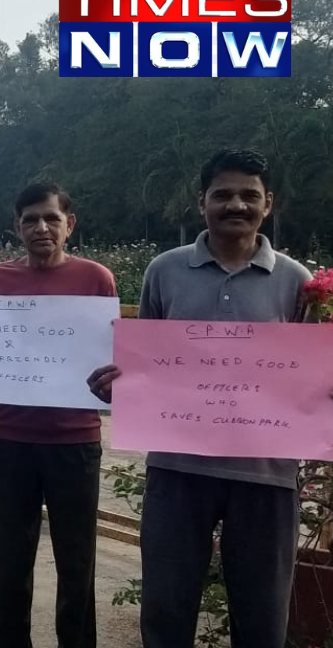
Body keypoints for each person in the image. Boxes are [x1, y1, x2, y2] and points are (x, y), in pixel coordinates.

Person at [87, 149, 319, 648]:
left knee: (261, 621)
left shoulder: (298, 282)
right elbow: (144, 361)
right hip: (177, 471)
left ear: (268, 204)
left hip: (266, 476)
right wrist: (117, 382)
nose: (235, 205)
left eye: (248, 196)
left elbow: (307, 378)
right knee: (167, 615)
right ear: (202, 202)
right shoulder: (164, 271)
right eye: (223, 195)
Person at [0, 183, 117, 648]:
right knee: (9, 560)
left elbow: (110, 353)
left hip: (75, 440)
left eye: (51, 218)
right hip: (10, 437)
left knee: (77, 561)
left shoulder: (97, 279)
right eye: (30, 219)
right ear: (16, 227)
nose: (41, 227)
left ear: (69, 225)